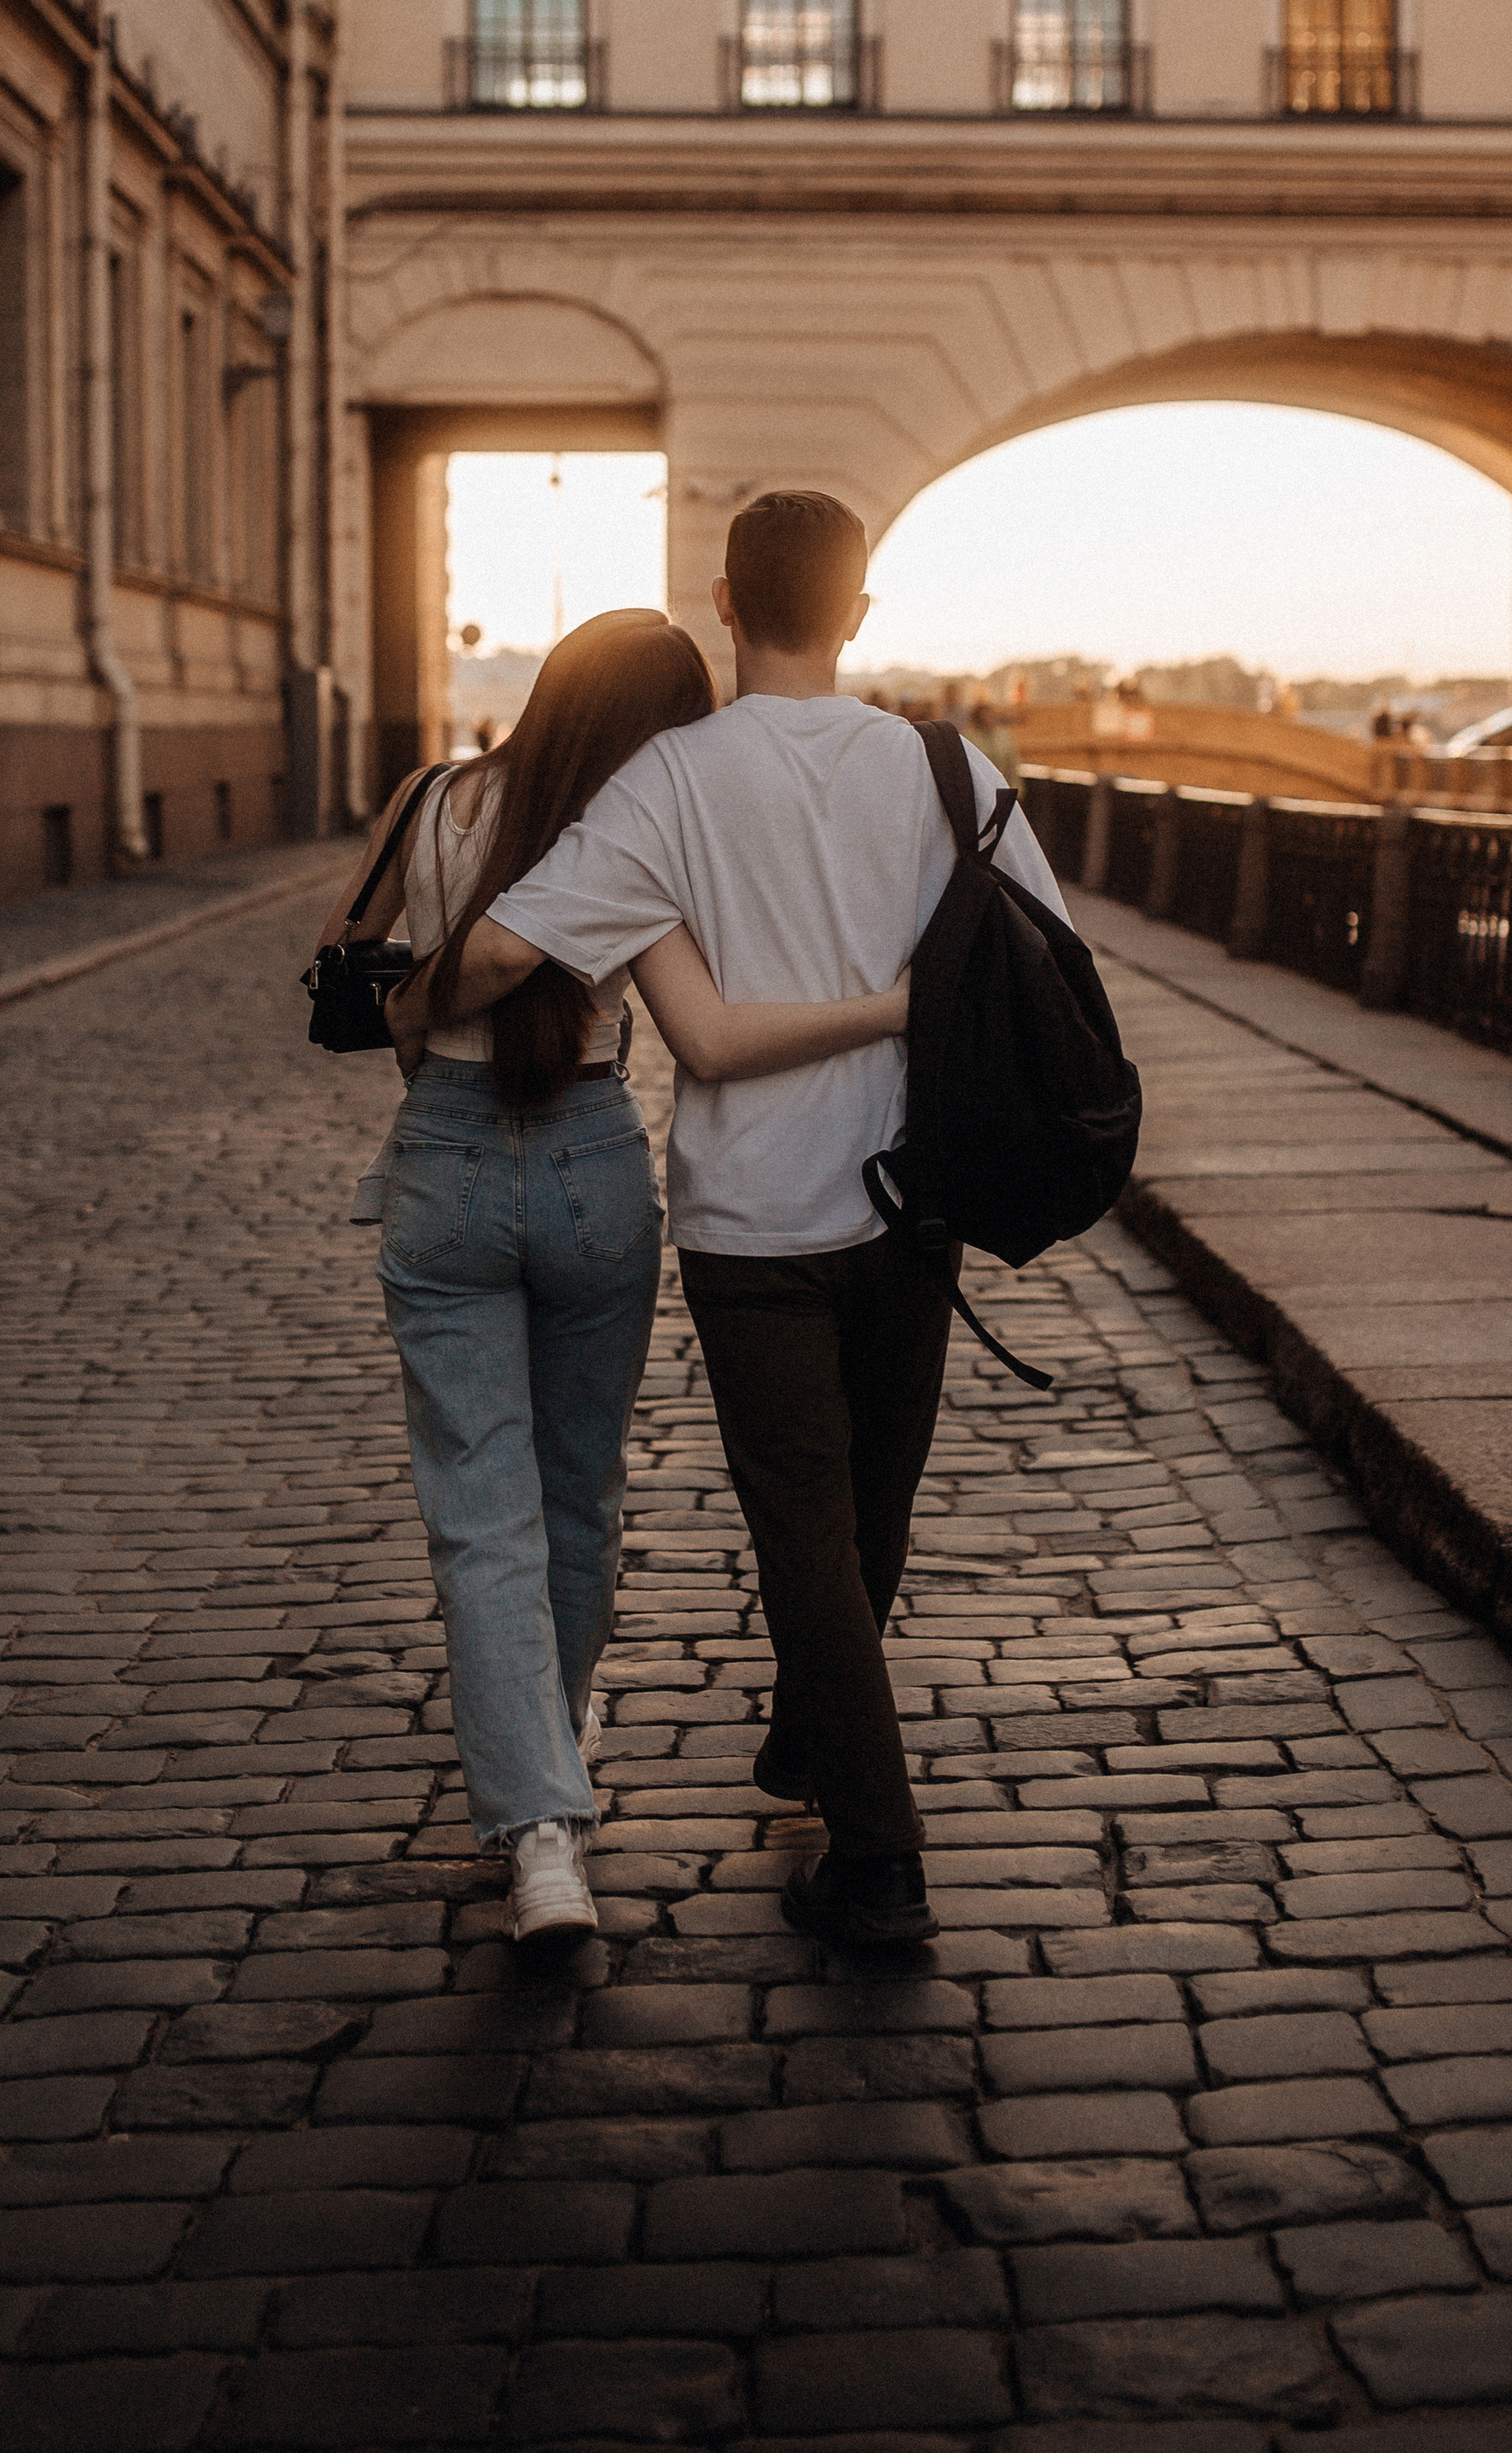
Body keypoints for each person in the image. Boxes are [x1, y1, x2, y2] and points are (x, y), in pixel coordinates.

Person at [402, 493, 1073, 1950]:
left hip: (755, 1219)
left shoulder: (666, 783)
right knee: (871, 1509)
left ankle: (865, 1829)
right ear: (861, 611)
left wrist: (407, 994)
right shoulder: (950, 769)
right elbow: (1053, 957)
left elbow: (515, 943)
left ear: (725, 596)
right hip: (915, 1199)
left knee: (808, 1526)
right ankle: (853, 1795)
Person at [325, 608, 910, 1947]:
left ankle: (541, 1839)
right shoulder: (641, 833)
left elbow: (356, 976)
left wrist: (425, 1001)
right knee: (578, 1492)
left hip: (445, 1159)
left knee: (482, 1516)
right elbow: (703, 1029)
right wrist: (894, 1006)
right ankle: (555, 1758)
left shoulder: (430, 797)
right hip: (593, 1160)